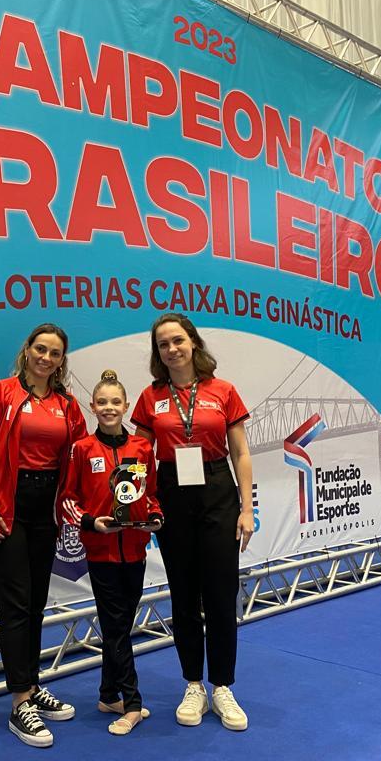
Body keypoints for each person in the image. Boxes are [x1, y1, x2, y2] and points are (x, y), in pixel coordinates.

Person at [130, 313, 254, 732]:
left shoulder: (223, 391)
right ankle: (193, 684)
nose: (172, 349)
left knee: (220, 593)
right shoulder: (150, 397)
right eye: (163, 344)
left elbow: (241, 453)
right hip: (171, 492)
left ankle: (222, 686)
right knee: (183, 595)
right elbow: (140, 457)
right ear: (157, 352)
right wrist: (135, 502)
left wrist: (247, 508)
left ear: (194, 343)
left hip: (217, 489)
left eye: (178, 340)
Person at [0, 323, 87, 747]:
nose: (46, 358)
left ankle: (32, 686)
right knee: (17, 604)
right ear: (27, 350)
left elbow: (80, 457)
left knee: (36, 603)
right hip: (6, 508)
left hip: (46, 510)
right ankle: (20, 702)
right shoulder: (1, 393)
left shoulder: (67, 405)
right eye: (40, 349)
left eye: (55, 353)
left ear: (61, 361)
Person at [57, 369, 162, 736]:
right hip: (101, 553)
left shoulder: (141, 448)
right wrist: (90, 522)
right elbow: (67, 500)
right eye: (102, 402)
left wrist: (154, 517)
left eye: (115, 402)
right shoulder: (82, 449)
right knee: (117, 627)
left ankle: (107, 695)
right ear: (92, 406)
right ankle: (132, 704)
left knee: (119, 626)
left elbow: (151, 495)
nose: (109, 408)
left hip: (135, 551)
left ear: (126, 406)